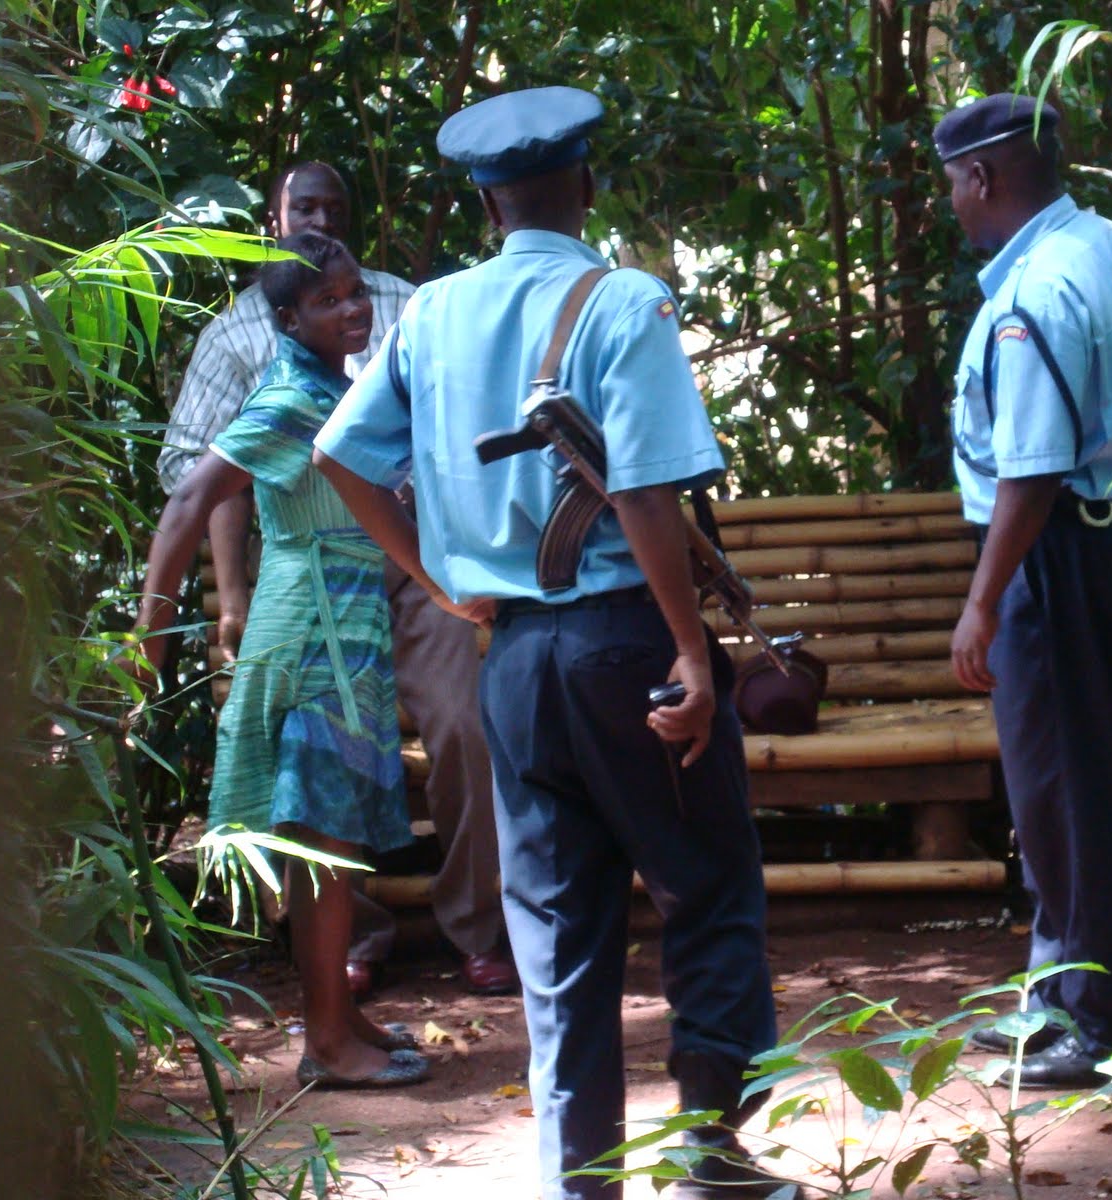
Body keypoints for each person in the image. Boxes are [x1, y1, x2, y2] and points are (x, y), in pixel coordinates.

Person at [313, 87, 798, 1200]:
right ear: (585, 184)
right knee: (707, 894)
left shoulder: (430, 312)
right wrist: (689, 651)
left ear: (485, 200)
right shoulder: (621, 302)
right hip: (626, 646)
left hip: (517, 664)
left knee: (559, 932)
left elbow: (340, 454)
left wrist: (441, 579)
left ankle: (582, 1180)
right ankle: (713, 1162)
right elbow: (642, 486)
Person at [158, 160, 516, 998]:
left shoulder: (405, 304)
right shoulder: (241, 336)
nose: (318, 219)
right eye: (302, 207)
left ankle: (477, 927)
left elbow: (460, 415)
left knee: (466, 726)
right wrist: (230, 597)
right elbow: (195, 473)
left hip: (414, 561)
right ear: (273, 219)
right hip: (315, 572)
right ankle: (351, 940)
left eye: (333, 207)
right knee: (325, 754)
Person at [128, 232, 439, 1088]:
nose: (353, 308)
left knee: (328, 844)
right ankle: (327, 1047)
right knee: (321, 848)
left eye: (353, 293)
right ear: (287, 318)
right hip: (313, 639)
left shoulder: (329, 387)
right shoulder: (290, 396)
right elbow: (192, 496)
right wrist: (149, 643)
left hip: (345, 626)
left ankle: (340, 1022)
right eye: (329, 300)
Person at [937, 94, 1112, 1087]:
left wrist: (982, 600)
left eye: (952, 181)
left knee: (1076, 793)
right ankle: (1055, 994)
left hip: (1062, 550)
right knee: (1067, 788)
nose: (951, 199)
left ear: (982, 178)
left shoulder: (1033, 290)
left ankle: (1107, 1025)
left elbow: (1031, 465)